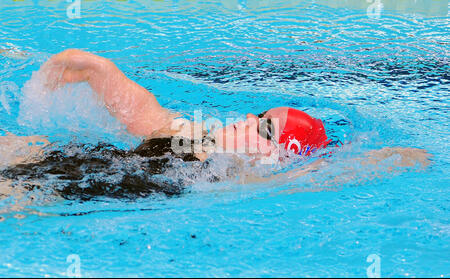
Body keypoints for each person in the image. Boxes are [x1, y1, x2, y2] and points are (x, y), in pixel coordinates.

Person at [0, 49, 431, 201]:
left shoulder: (241, 177)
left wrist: (393, 157)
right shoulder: (193, 138)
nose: (247, 119)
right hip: (53, 159)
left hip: (49, 191)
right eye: (260, 116)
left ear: (274, 158)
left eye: (263, 130)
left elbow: (338, 174)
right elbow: (140, 112)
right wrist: (98, 68)